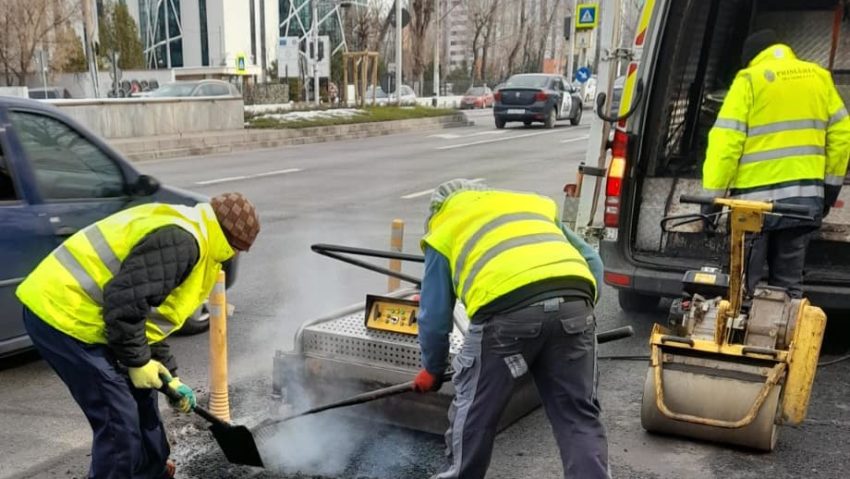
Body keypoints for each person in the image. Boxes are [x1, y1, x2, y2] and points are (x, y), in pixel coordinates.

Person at [16, 193, 260, 479]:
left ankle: (151, 472)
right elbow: (124, 306)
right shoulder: (183, 242)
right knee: (119, 421)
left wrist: (171, 376)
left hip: (97, 316)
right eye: (238, 250)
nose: (236, 256)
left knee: (143, 398)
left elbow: (150, 317)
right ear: (231, 242)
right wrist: (139, 362)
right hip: (63, 314)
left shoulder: (199, 240)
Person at [412, 179, 609, 479]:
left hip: (504, 317)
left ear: (437, 209)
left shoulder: (444, 224)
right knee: (578, 417)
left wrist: (433, 369)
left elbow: (435, 314)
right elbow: (592, 261)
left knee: (476, 414)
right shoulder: (533, 205)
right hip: (576, 303)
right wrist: (573, 316)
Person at [703, 29, 850, 298]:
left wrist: (711, 198)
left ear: (753, 58)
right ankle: (786, 336)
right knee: (788, 287)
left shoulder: (749, 79)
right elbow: (842, 135)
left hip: (752, 206)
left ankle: (742, 333)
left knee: (742, 286)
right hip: (802, 204)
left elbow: (725, 143)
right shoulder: (819, 77)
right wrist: (829, 189)